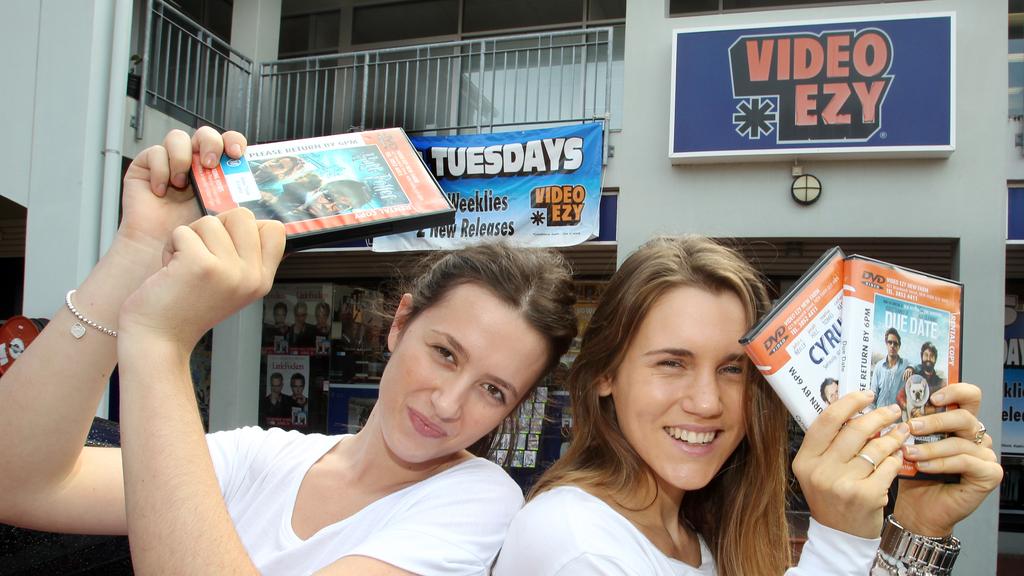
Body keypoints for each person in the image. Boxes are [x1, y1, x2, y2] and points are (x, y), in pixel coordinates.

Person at [0, 127, 578, 576]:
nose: (448, 404)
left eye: (493, 390)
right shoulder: (260, 459)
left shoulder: (478, 502)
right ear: (400, 324)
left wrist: (160, 344)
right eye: (446, 354)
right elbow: (20, 481)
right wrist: (138, 249)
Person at [493, 236, 1002, 576]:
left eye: (732, 369)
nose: (706, 402)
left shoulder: (698, 529)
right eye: (672, 363)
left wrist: (919, 526)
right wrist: (840, 539)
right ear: (605, 374)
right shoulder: (575, 542)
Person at [871, 327, 911, 408]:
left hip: (896, 413)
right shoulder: (879, 366)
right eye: (890, 342)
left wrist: (910, 368)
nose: (892, 346)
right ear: (886, 344)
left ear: (899, 346)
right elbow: (873, 393)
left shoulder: (905, 364)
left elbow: (914, 366)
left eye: (895, 343)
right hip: (880, 411)